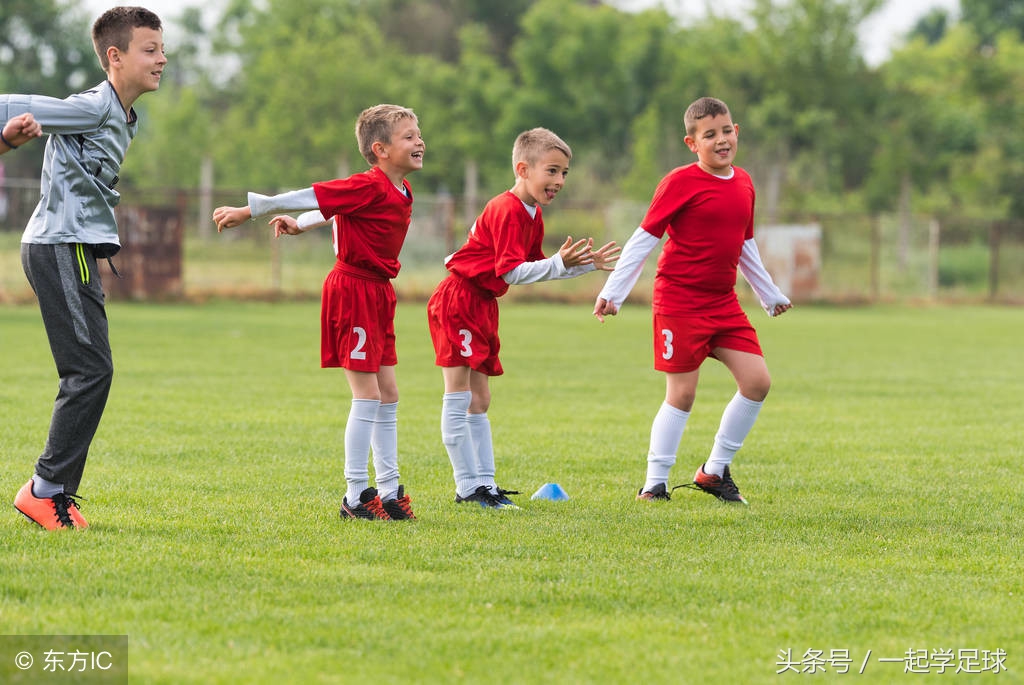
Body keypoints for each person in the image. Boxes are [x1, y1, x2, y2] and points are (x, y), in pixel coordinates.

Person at [213, 104, 424, 521]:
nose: (419, 142)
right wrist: (251, 210)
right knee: (367, 396)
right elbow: (316, 195)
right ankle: (355, 496)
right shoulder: (370, 184)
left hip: (379, 293)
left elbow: (334, 209)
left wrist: (303, 224)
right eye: (409, 137)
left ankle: (389, 490)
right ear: (380, 149)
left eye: (418, 134)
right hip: (354, 291)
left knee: (389, 395)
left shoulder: (398, 189)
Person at [3, 7, 167, 530]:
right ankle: (45, 490)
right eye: (150, 49)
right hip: (59, 245)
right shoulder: (93, 107)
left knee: (92, 369)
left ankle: (53, 490)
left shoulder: (120, 113)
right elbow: (12, 104)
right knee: (90, 369)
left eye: (162, 49)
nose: (162, 59)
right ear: (114, 58)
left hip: (72, 248)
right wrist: (13, 128)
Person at [593, 96, 792, 505]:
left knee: (757, 383)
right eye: (709, 135)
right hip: (679, 302)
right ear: (692, 143)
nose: (721, 140)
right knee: (682, 394)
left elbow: (745, 245)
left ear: (736, 132)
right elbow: (643, 240)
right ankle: (654, 483)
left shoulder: (745, 183)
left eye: (726, 131)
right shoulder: (679, 183)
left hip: (723, 304)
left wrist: (769, 294)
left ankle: (714, 472)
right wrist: (613, 292)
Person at [427, 128, 619, 509]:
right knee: (460, 395)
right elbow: (513, 272)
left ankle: (484, 484)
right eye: (552, 171)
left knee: (480, 399)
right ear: (523, 168)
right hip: (459, 300)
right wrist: (558, 263)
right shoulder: (507, 209)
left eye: (564, 173)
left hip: (482, 304)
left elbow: (535, 268)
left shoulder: (532, 214)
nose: (559, 181)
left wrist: (581, 268)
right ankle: (468, 487)